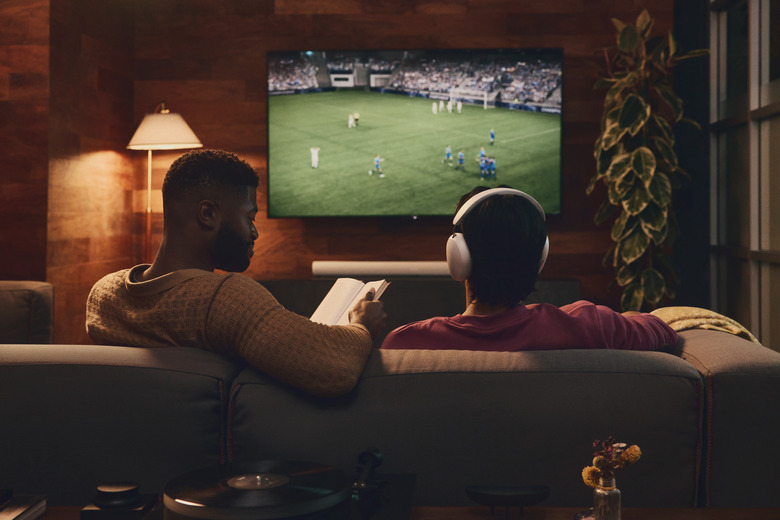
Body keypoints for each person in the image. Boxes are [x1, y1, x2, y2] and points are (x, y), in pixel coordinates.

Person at [86, 149, 386, 397]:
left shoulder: (102, 296)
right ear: (208, 214)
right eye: (249, 217)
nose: (254, 232)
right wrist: (361, 325)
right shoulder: (223, 298)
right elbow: (336, 368)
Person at [381, 186, 677, 351]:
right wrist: (621, 319)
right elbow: (663, 329)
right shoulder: (591, 325)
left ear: (458, 257)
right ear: (540, 259)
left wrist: (360, 329)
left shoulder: (407, 342)